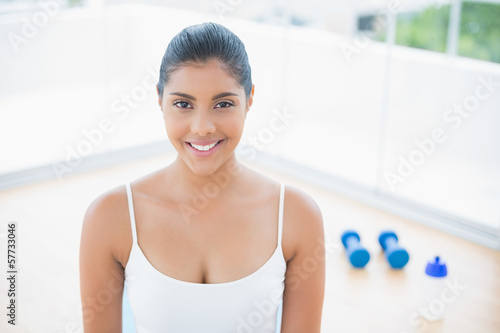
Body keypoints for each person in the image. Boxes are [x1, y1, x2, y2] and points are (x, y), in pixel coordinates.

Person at [79, 22, 324, 332]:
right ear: (159, 100)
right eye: (183, 104)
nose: (202, 126)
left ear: (249, 99)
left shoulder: (296, 216)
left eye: (223, 104)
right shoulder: (109, 217)